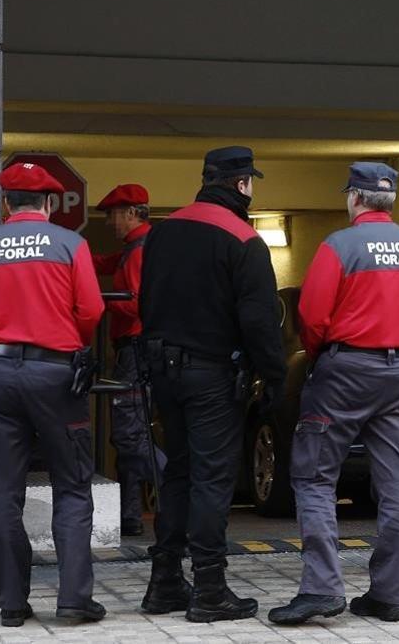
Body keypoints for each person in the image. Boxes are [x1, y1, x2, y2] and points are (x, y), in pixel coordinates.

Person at [267, 162, 399, 625]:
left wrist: (321, 357)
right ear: (390, 200)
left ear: (354, 198)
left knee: (315, 478)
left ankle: (321, 589)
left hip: (345, 370)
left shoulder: (340, 245)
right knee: (395, 484)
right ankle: (388, 595)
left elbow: (312, 317)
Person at [0, 162, 107, 627]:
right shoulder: (70, 244)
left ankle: (12, 605)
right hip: (56, 374)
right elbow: (92, 310)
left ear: (5, 202)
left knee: (3, 489)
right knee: (73, 486)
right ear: (50, 204)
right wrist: (62, 340)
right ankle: (74, 599)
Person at [137, 146, 287, 623]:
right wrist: (275, 375)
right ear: (242, 185)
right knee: (212, 478)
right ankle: (209, 588)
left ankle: (164, 582)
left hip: (163, 369)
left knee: (178, 472)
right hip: (212, 375)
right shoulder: (243, 239)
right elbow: (261, 321)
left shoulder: (162, 232)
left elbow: (145, 301)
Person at [92, 183, 156, 537]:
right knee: (131, 435)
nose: (109, 222)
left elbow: (134, 302)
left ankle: (182, 485)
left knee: (129, 435)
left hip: (135, 350)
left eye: (113, 215)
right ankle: (130, 515)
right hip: (136, 350)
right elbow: (100, 261)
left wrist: (95, 300)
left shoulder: (139, 252)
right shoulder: (135, 248)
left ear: (132, 213)